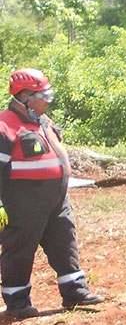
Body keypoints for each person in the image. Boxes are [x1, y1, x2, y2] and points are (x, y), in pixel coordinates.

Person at [0, 68, 104, 318]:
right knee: (20, 248)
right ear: (24, 95)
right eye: (43, 95)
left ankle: (75, 292)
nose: (48, 100)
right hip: (23, 201)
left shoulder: (43, 122)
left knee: (64, 242)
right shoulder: (5, 126)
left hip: (56, 198)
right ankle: (17, 304)